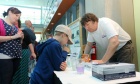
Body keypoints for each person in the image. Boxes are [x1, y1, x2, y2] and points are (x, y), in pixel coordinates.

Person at [0, 7, 23, 84]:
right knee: (5, 79)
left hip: (16, 55)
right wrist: (14, 36)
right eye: (16, 15)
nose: (17, 18)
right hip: (5, 54)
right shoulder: (1, 22)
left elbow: (20, 41)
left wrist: (21, 37)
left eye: (19, 16)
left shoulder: (15, 26)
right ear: (10, 12)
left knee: (9, 79)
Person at [12, 19, 36, 84]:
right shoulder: (8, 31)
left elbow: (29, 42)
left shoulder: (24, 31)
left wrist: (33, 52)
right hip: (11, 53)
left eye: (16, 22)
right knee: (13, 71)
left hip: (23, 52)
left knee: (22, 70)